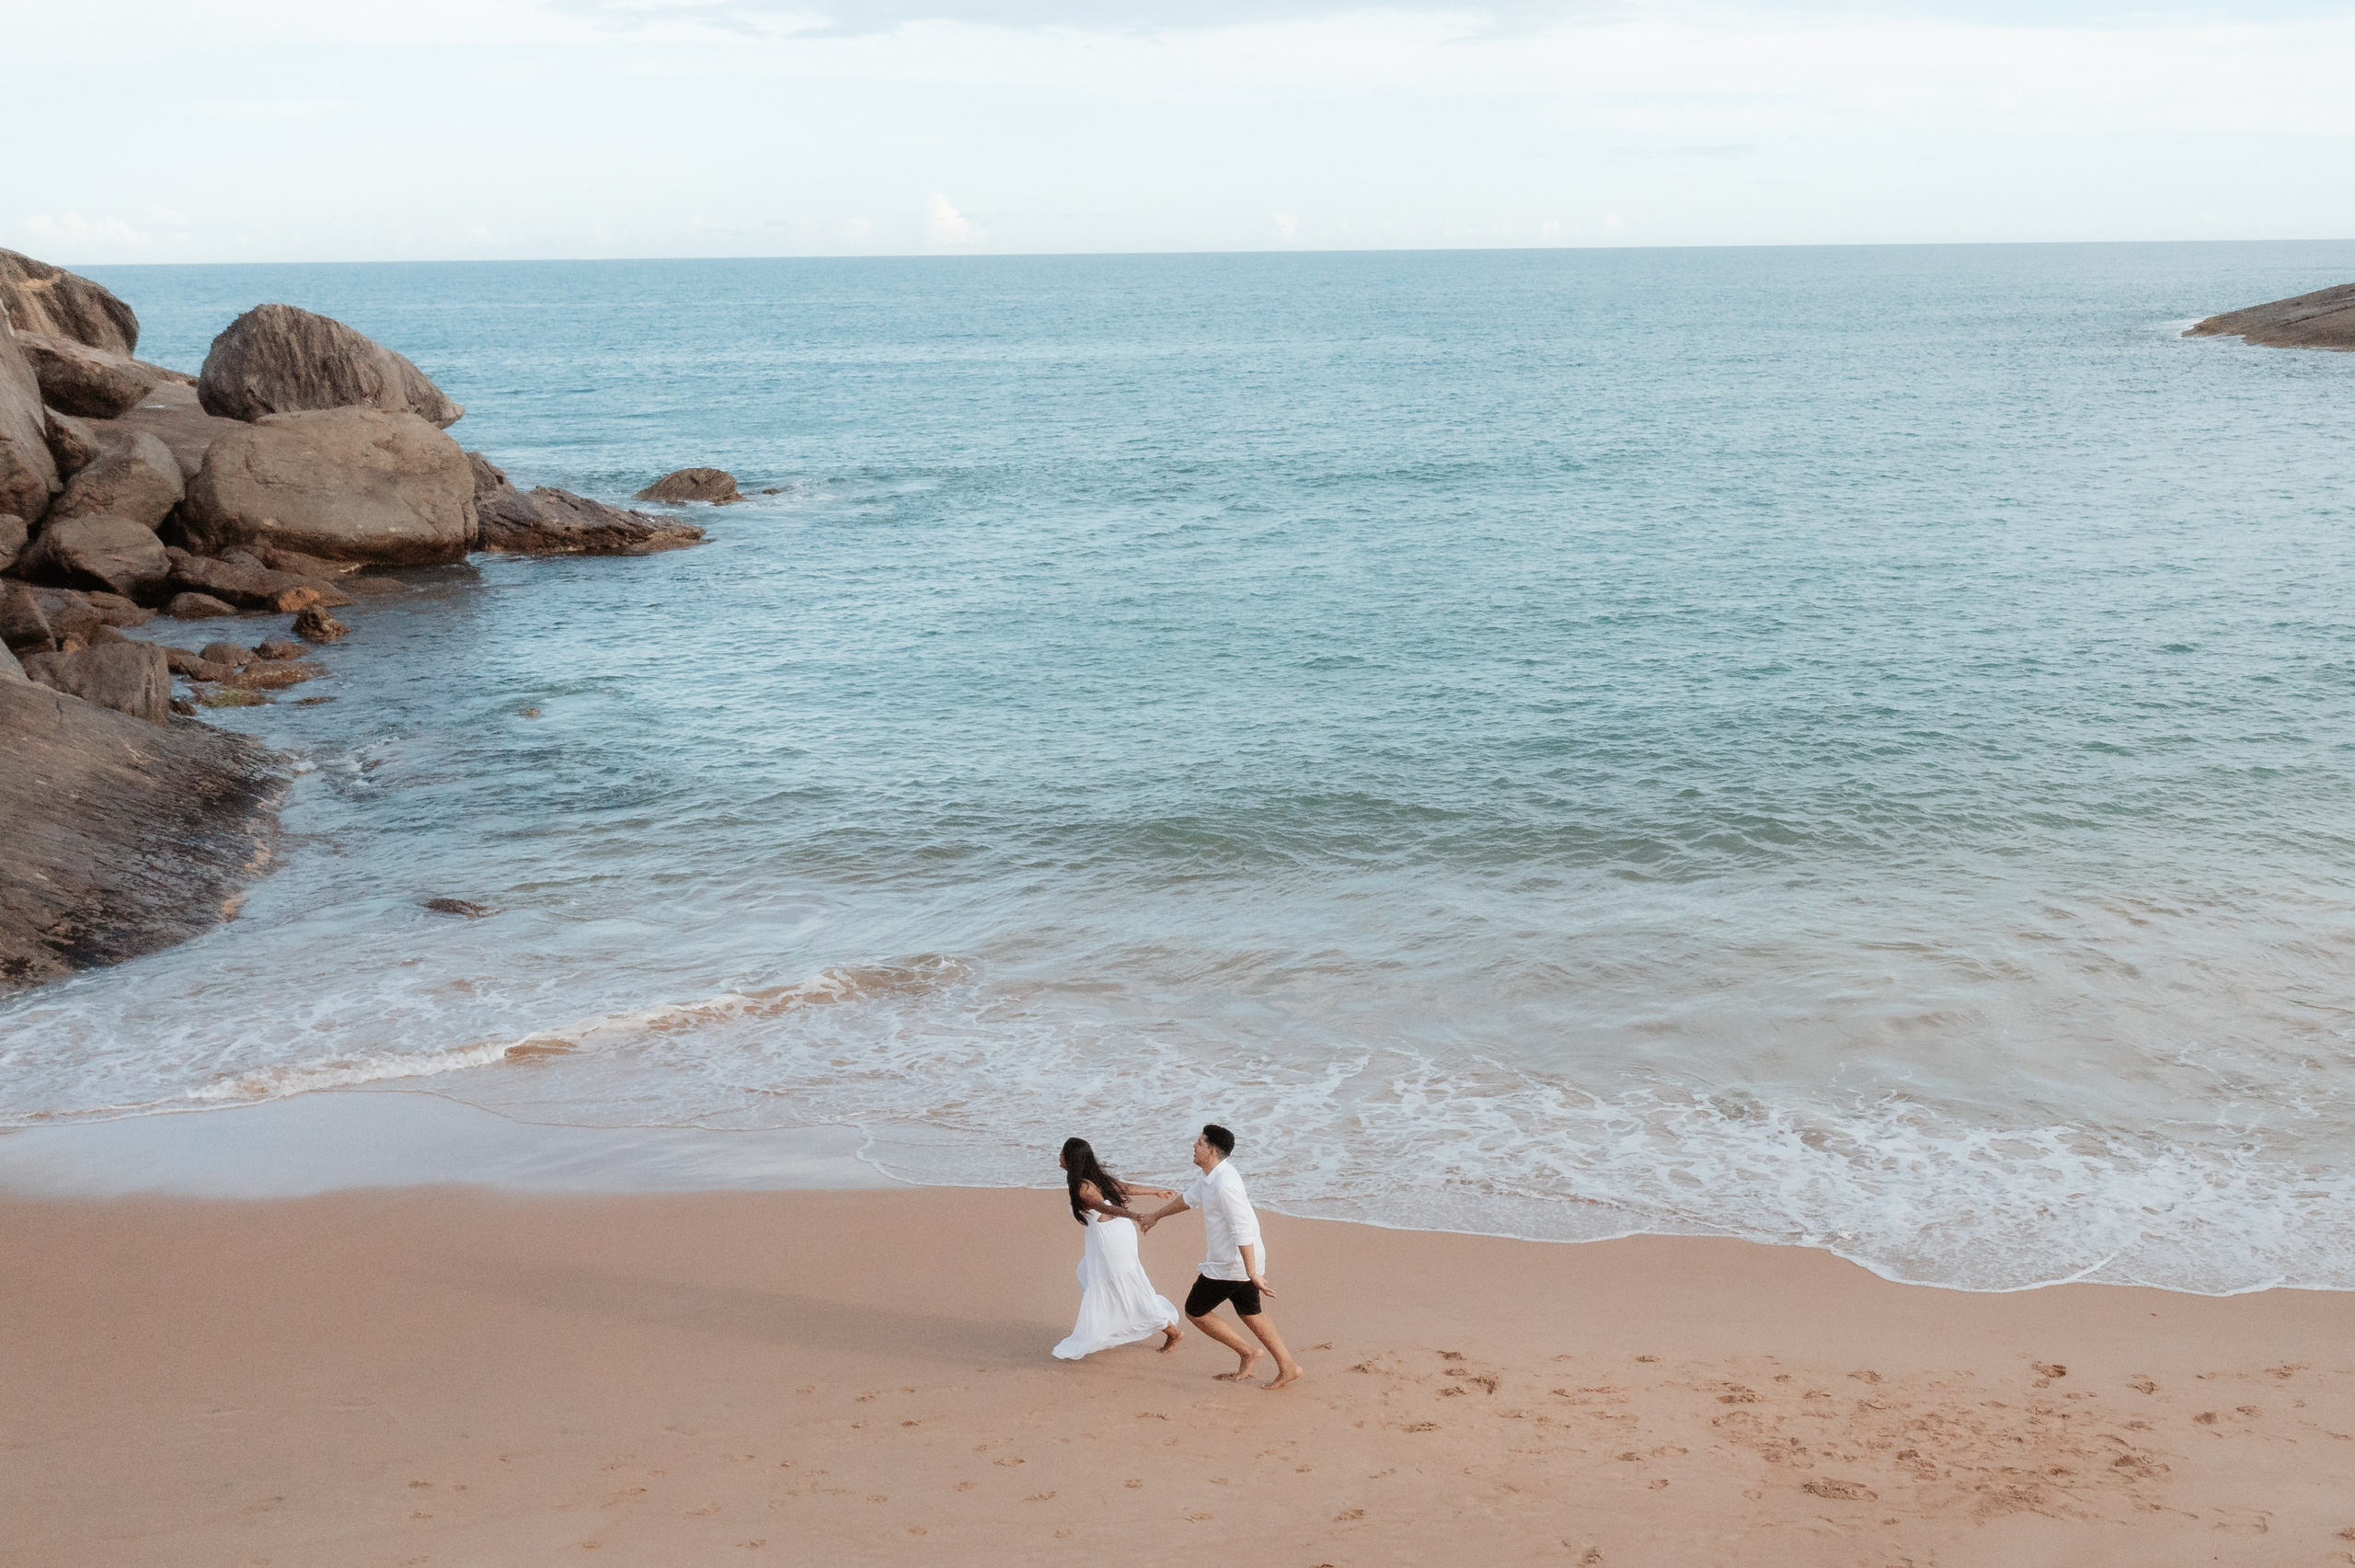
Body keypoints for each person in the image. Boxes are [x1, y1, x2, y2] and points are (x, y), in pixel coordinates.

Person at [1139, 1124, 1304, 1391]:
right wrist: (1155, 1216)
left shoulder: (1225, 1184)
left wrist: (1251, 1272)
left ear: (1212, 1150)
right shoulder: (1211, 1176)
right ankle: (1287, 1367)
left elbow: (1242, 1229)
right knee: (1251, 1313)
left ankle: (1249, 1353)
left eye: (1200, 1143)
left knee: (1196, 1310)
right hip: (1240, 1262)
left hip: (1233, 1263)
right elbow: (1189, 1199)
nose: (1194, 1145)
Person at [1051, 1138, 1186, 1361]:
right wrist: (1155, 1191)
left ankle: (1172, 1332)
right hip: (1112, 1233)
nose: (1059, 1157)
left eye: (1062, 1153)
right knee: (1086, 1273)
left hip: (1109, 1238)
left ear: (1071, 1159)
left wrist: (1136, 1215)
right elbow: (1123, 1188)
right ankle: (1109, 1325)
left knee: (1126, 1289)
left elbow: (1102, 1206)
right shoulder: (1091, 1178)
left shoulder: (1083, 1187)